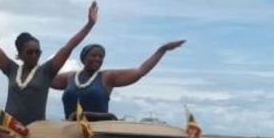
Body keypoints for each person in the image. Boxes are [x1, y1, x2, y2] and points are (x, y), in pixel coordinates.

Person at [0, 1, 97, 125]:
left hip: (36, 133)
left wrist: (89, 25)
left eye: (38, 52)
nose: (34, 55)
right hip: (8, 130)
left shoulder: (46, 71)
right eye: (29, 52)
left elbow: (69, 46)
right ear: (20, 54)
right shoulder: (11, 69)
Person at [54, 40, 185, 119]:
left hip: (98, 136)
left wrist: (161, 50)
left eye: (101, 57)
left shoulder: (107, 77)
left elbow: (140, 71)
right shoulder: (70, 77)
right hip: (70, 133)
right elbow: (44, 77)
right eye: (93, 55)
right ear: (83, 58)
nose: (97, 59)